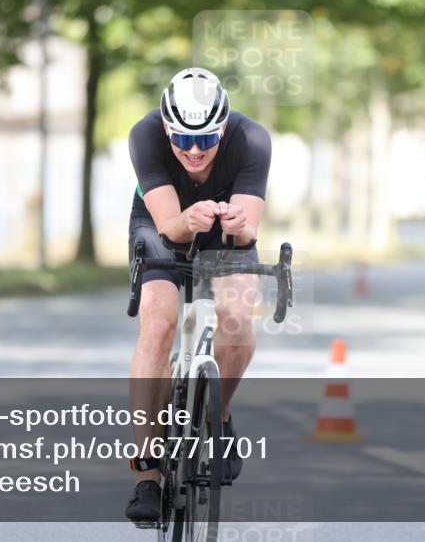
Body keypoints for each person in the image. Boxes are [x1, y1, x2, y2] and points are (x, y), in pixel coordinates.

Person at [124, 67, 272, 524]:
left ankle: (218, 418)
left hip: (226, 231)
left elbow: (249, 229)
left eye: (205, 140)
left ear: (223, 128)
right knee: (159, 319)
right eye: (182, 139)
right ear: (166, 127)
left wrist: (238, 224)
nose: (192, 151)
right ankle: (147, 471)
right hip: (161, 222)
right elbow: (169, 225)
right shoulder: (145, 135)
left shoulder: (252, 140)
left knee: (237, 316)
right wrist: (188, 219)